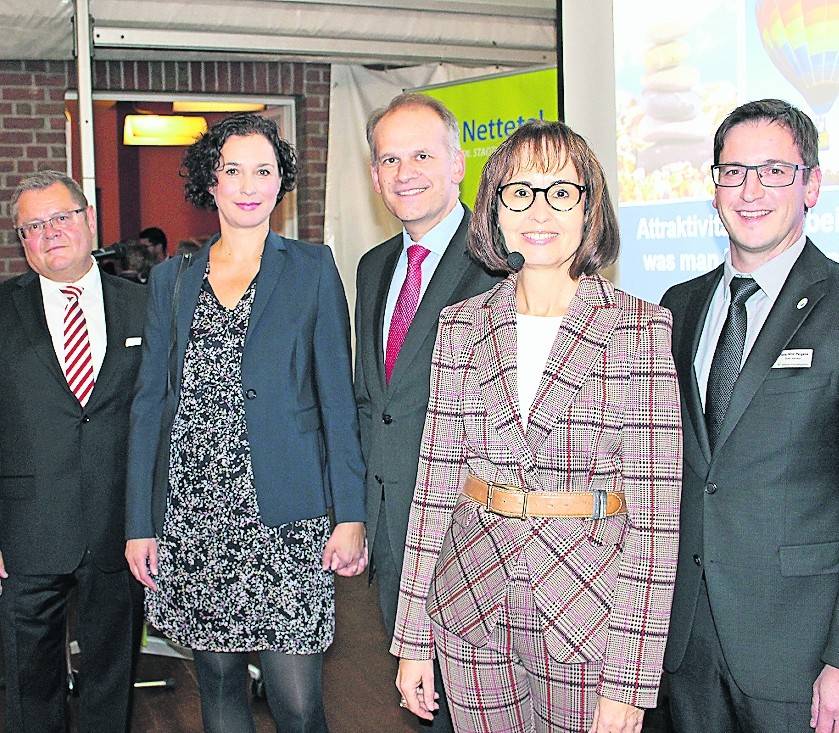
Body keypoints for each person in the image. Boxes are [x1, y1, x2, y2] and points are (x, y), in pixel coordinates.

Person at [392, 120, 682, 733]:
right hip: (469, 598)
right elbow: (435, 483)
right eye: (518, 192)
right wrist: (413, 635)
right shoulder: (461, 325)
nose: (538, 210)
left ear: (589, 207)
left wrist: (631, 679)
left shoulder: (639, 327)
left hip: (589, 609)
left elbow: (656, 516)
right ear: (495, 209)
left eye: (560, 191)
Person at [125, 113, 366, 733]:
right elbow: (151, 404)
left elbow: (337, 398)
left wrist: (351, 515)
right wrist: (140, 523)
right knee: (220, 688)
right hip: (194, 518)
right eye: (234, 170)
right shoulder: (172, 281)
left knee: (298, 700)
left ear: (280, 182)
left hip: (287, 521)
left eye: (264, 171)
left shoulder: (312, 267)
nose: (249, 185)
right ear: (212, 180)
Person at [661, 99, 839, 733]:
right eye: (733, 172)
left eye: (773, 171)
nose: (750, 190)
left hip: (798, 648)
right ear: (714, 189)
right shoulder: (678, 306)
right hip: (686, 645)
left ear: (812, 184)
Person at [354, 92, 501, 730]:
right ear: (374, 176)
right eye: (390, 159)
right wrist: (357, 516)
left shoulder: (503, 262)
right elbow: (373, 403)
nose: (405, 171)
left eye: (421, 154)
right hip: (393, 532)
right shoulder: (373, 267)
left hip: (477, 532)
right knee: (424, 707)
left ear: (458, 163)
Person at [0, 170, 146, 732]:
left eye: (61, 217)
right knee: (29, 685)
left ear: (89, 221)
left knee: (112, 677)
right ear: (22, 240)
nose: (50, 233)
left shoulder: (144, 306)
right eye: (34, 226)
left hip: (121, 531)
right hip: (25, 533)